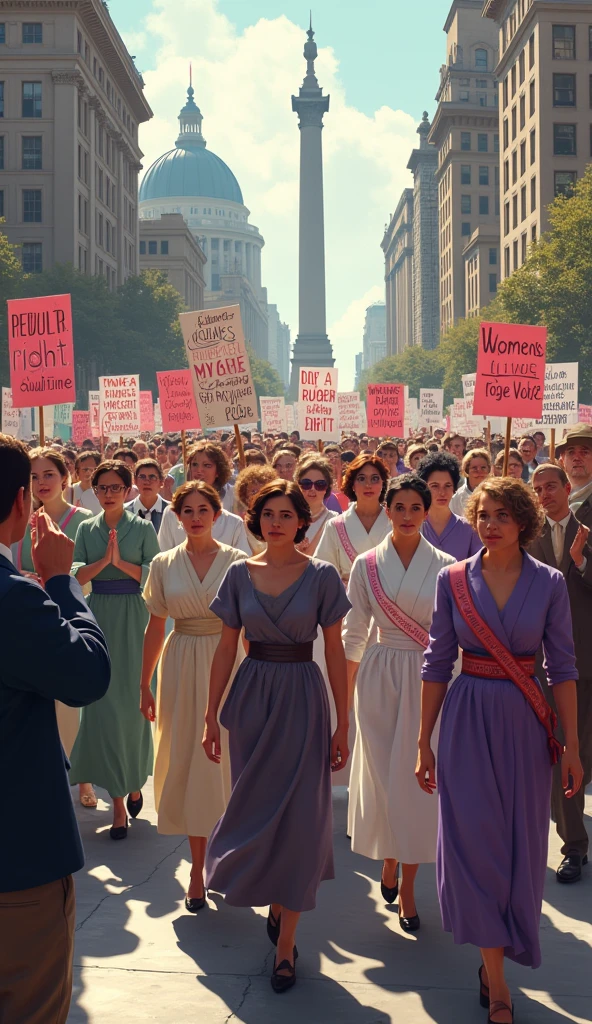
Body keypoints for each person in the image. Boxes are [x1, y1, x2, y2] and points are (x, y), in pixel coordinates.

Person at [417, 477, 582, 1024]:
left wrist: (574, 748)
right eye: (483, 514)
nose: (491, 524)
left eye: (503, 515)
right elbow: (437, 662)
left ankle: (503, 949)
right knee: (475, 843)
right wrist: (424, 739)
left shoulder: (552, 583)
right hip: (466, 719)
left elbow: (563, 668)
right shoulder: (452, 580)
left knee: (521, 846)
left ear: (524, 522)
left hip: (526, 720)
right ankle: (496, 975)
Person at [203, 480, 350, 993]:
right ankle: (272, 894)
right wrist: (209, 712)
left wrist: (342, 721)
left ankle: (286, 944)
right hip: (251, 700)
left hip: (304, 700)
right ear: (255, 518)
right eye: (268, 513)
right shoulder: (237, 574)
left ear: (302, 520)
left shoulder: (324, 576)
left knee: (301, 819)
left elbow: (334, 652)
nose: (277, 522)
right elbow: (225, 649)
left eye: (287, 514)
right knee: (254, 810)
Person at [0, 433, 110, 1024]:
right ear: (22, 503)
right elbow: (87, 674)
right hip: (16, 860)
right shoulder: (12, 599)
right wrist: (63, 581)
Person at [344, 476, 454, 931]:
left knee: (416, 785)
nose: (407, 514)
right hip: (378, 673)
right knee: (381, 778)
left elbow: (453, 638)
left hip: (429, 678)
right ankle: (388, 853)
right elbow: (353, 631)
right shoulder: (366, 564)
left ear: (427, 511)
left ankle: (408, 884)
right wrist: (341, 696)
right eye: (399, 506)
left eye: (415, 507)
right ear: (387, 509)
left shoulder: (449, 566)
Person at [140, 482, 246, 911]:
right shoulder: (164, 563)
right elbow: (154, 626)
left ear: (217, 514)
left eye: (204, 509)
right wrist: (143, 683)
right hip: (181, 664)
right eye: (188, 510)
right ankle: (197, 868)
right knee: (187, 760)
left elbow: (250, 627)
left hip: (230, 661)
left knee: (228, 765)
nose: (196, 516)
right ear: (177, 516)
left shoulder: (239, 562)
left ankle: (229, 859)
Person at [68, 460, 161, 837]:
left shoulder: (142, 528)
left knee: (133, 705)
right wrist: (100, 563)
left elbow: (156, 574)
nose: (108, 494)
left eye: (115, 487)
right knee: (103, 707)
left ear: (128, 490)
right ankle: (118, 804)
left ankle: (134, 778)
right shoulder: (86, 528)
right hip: (99, 615)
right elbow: (73, 573)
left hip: (135, 617)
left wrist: (119, 562)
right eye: (101, 487)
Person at [530, 464, 592, 883]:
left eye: (551, 486)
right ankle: (573, 846)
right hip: (544, 667)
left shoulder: (587, 531)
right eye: (537, 488)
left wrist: (582, 563)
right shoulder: (524, 536)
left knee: (582, 754)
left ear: (568, 490)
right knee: (563, 754)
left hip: (586, 660)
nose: (544, 493)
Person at [159, 445, 249, 554]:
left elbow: (243, 564)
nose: (199, 470)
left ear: (218, 472)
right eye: (194, 465)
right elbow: (162, 555)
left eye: (207, 465)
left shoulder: (234, 523)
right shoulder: (171, 513)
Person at [316, 454, 391, 583]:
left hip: (389, 599)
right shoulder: (335, 525)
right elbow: (323, 571)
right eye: (361, 479)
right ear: (352, 484)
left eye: (375, 479)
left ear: (383, 484)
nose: (368, 485)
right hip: (347, 599)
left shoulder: (395, 523)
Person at [416, 451, 481, 560]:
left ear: (454, 488)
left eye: (447, 486)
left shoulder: (470, 529)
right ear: (424, 487)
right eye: (435, 486)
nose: (442, 492)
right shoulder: (414, 526)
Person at [294, 454, 338, 556]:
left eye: (320, 484)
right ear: (297, 485)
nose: (312, 489)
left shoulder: (335, 520)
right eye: (306, 483)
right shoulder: (287, 518)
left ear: (327, 488)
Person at [234, 464, 278, 552]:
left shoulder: (279, 522)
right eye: (254, 491)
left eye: (264, 490)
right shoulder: (237, 525)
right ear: (245, 495)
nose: (259, 495)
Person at [125, 458, 170, 536]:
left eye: (152, 477)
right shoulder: (124, 512)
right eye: (142, 477)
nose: (147, 482)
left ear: (161, 482)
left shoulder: (171, 511)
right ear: (135, 481)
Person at [558, 423, 592, 526]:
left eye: (584, 452)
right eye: (571, 452)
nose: (577, 458)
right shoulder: (549, 495)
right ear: (562, 459)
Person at [449, 448, 491, 516]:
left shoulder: (497, 494)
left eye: (483, 467)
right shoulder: (457, 498)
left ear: (489, 469)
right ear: (467, 470)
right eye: (474, 468)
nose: (479, 471)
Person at [323, 446, 349, 511]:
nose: (332, 459)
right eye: (329, 457)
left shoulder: (347, 479)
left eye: (336, 457)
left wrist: (339, 473)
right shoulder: (320, 481)